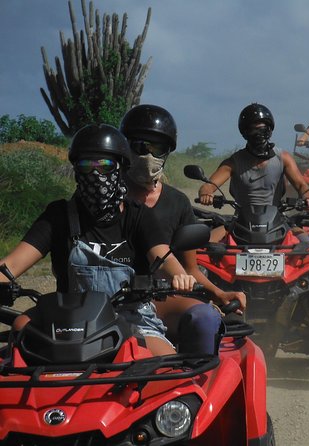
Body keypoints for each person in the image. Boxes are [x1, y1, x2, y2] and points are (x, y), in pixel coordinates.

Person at [0, 124, 196, 356]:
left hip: (130, 316)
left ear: (121, 169)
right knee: (20, 331)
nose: (95, 175)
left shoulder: (138, 215)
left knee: (168, 370)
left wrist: (179, 277)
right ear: (75, 169)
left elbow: (162, 257)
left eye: (104, 166)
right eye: (86, 165)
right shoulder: (58, 216)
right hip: (66, 319)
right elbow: (10, 266)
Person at [120, 104, 246, 355]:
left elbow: (190, 269)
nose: (148, 154)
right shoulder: (108, 198)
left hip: (161, 299)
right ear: (125, 148)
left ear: (167, 153)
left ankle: (194, 389)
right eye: (140, 146)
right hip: (106, 297)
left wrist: (219, 293)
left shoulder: (176, 203)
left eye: (157, 148)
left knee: (205, 319)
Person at [198, 103, 309, 217]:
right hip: (241, 222)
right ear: (245, 132)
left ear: (270, 130)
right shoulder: (233, 162)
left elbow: (301, 185)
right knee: (207, 238)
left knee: (305, 238)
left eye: (262, 129)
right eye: (253, 130)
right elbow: (208, 186)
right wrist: (205, 194)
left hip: (277, 220)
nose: (258, 134)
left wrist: (308, 198)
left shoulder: (283, 158)